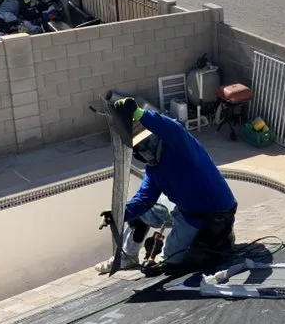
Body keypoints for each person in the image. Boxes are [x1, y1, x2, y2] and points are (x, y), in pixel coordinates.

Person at [97, 97, 237, 275]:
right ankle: (127, 258)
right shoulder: (154, 169)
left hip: (211, 215)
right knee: (140, 214)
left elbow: (173, 129)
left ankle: (188, 250)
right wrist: (118, 215)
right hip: (184, 210)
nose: (141, 150)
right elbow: (143, 200)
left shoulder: (180, 148)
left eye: (142, 144)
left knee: (171, 261)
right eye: (137, 148)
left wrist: (140, 114)